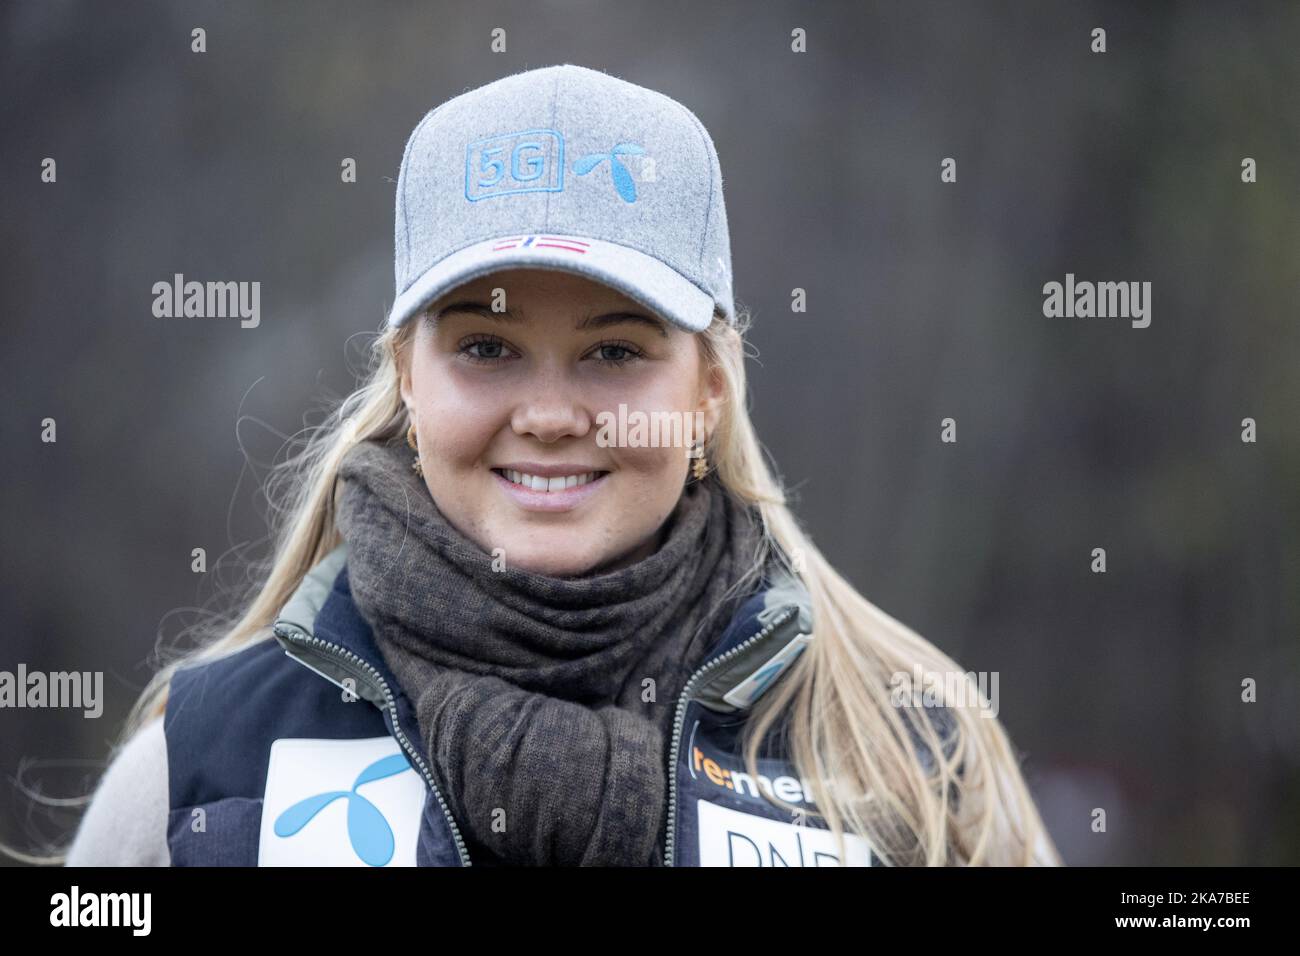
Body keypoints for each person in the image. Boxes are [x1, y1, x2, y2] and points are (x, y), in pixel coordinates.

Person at [57, 63, 1060, 866]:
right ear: (408, 373)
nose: (546, 416)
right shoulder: (202, 768)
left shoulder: (912, 754)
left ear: (707, 386)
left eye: (615, 351)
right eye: (486, 349)